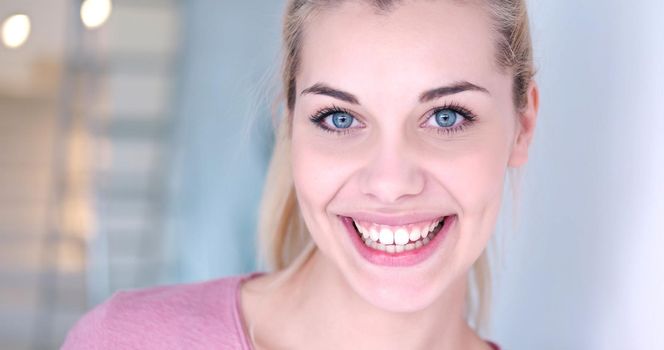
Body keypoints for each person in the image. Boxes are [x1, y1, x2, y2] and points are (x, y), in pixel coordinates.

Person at [63, 0, 538, 348]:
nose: (390, 183)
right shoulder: (124, 340)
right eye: (339, 118)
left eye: (447, 116)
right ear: (290, 127)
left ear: (523, 125)